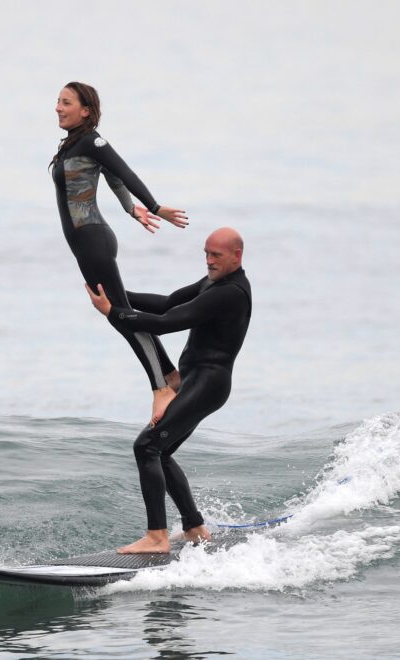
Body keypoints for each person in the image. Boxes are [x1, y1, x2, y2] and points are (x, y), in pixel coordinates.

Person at [85, 227, 251, 554]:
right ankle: (194, 528)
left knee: (146, 447)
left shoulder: (230, 292)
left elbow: (168, 322)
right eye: (206, 253)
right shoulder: (212, 282)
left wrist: (113, 312)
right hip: (194, 379)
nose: (209, 260)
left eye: (216, 255)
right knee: (160, 451)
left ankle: (157, 537)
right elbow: (166, 303)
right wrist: (116, 294)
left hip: (208, 383)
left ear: (237, 256)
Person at [52, 82, 189, 425]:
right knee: (119, 312)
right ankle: (170, 375)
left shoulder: (92, 140)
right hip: (87, 242)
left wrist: (154, 206)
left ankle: (161, 387)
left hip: (92, 239)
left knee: (121, 314)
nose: (57, 107)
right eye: (57, 101)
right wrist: (131, 209)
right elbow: (112, 179)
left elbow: (124, 171)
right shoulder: (73, 144)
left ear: (86, 110)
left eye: (65, 102)